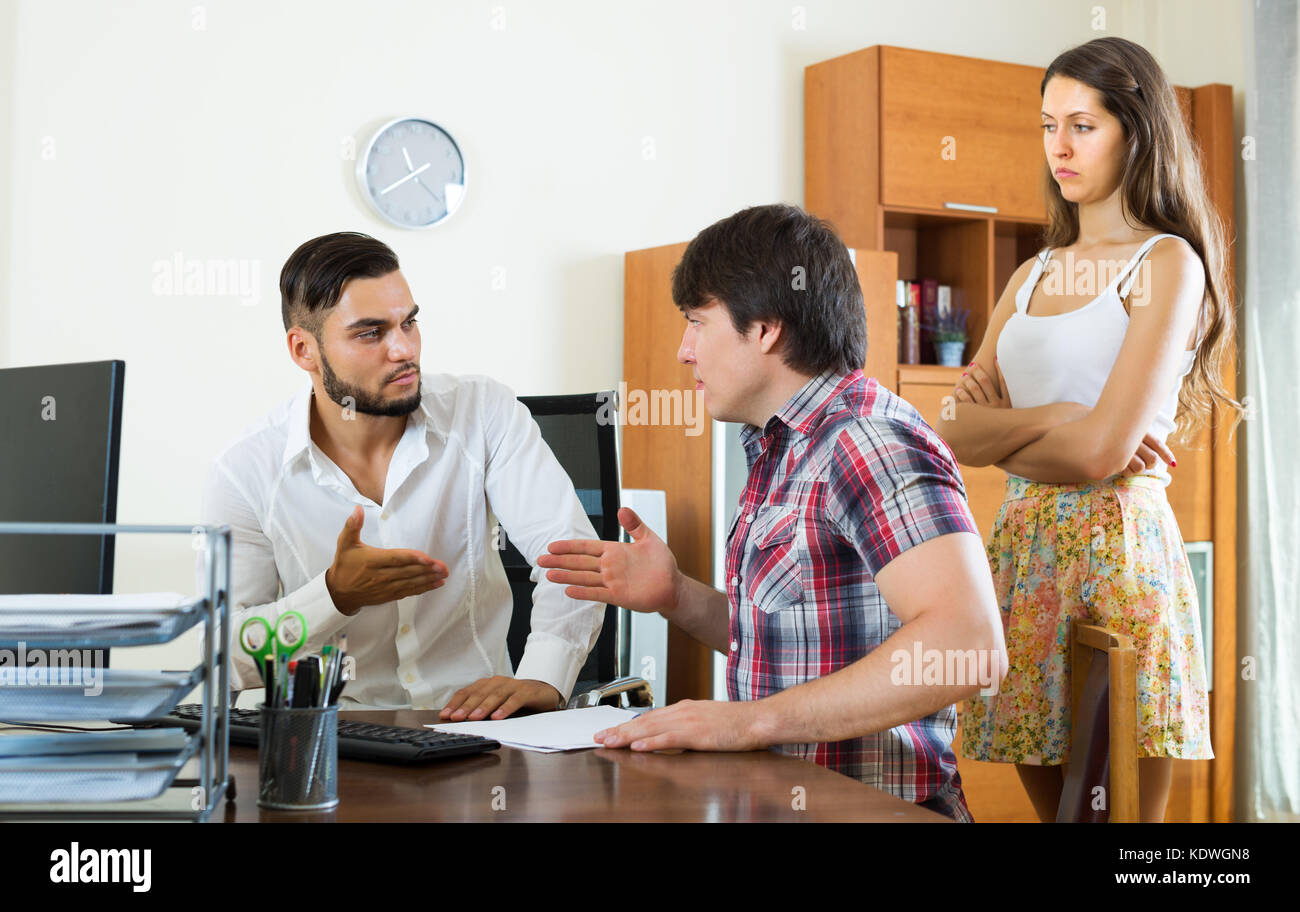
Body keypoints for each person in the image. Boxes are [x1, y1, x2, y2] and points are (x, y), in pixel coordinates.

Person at [539, 204, 1007, 822]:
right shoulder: (782, 447)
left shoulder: (867, 440)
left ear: (764, 329)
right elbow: (796, 642)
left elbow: (969, 645)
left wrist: (747, 722)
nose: (684, 351)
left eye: (697, 322)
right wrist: (676, 595)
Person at [935, 37, 1240, 823]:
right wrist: (1065, 418)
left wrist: (1015, 427)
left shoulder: (1168, 264)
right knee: (1063, 818)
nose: (1059, 147)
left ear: (1135, 133)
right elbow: (951, 432)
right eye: (1047, 126)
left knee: (1123, 826)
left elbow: (1105, 454)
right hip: (1023, 547)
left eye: (1082, 126)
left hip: (1120, 559)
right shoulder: (1032, 274)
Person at [197, 231, 603, 719]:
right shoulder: (246, 472)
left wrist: (544, 676)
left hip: (477, 738)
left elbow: (573, 560)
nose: (403, 349)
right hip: (333, 744)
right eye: (371, 333)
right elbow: (224, 655)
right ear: (304, 350)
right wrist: (331, 596)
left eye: (408, 323)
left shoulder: (484, 414)